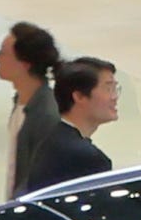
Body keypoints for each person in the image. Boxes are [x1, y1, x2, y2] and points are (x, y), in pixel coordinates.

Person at [31, 56, 120, 189]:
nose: (115, 97)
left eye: (115, 88)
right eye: (108, 89)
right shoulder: (87, 158)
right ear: (79, 96)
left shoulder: (50, 137)